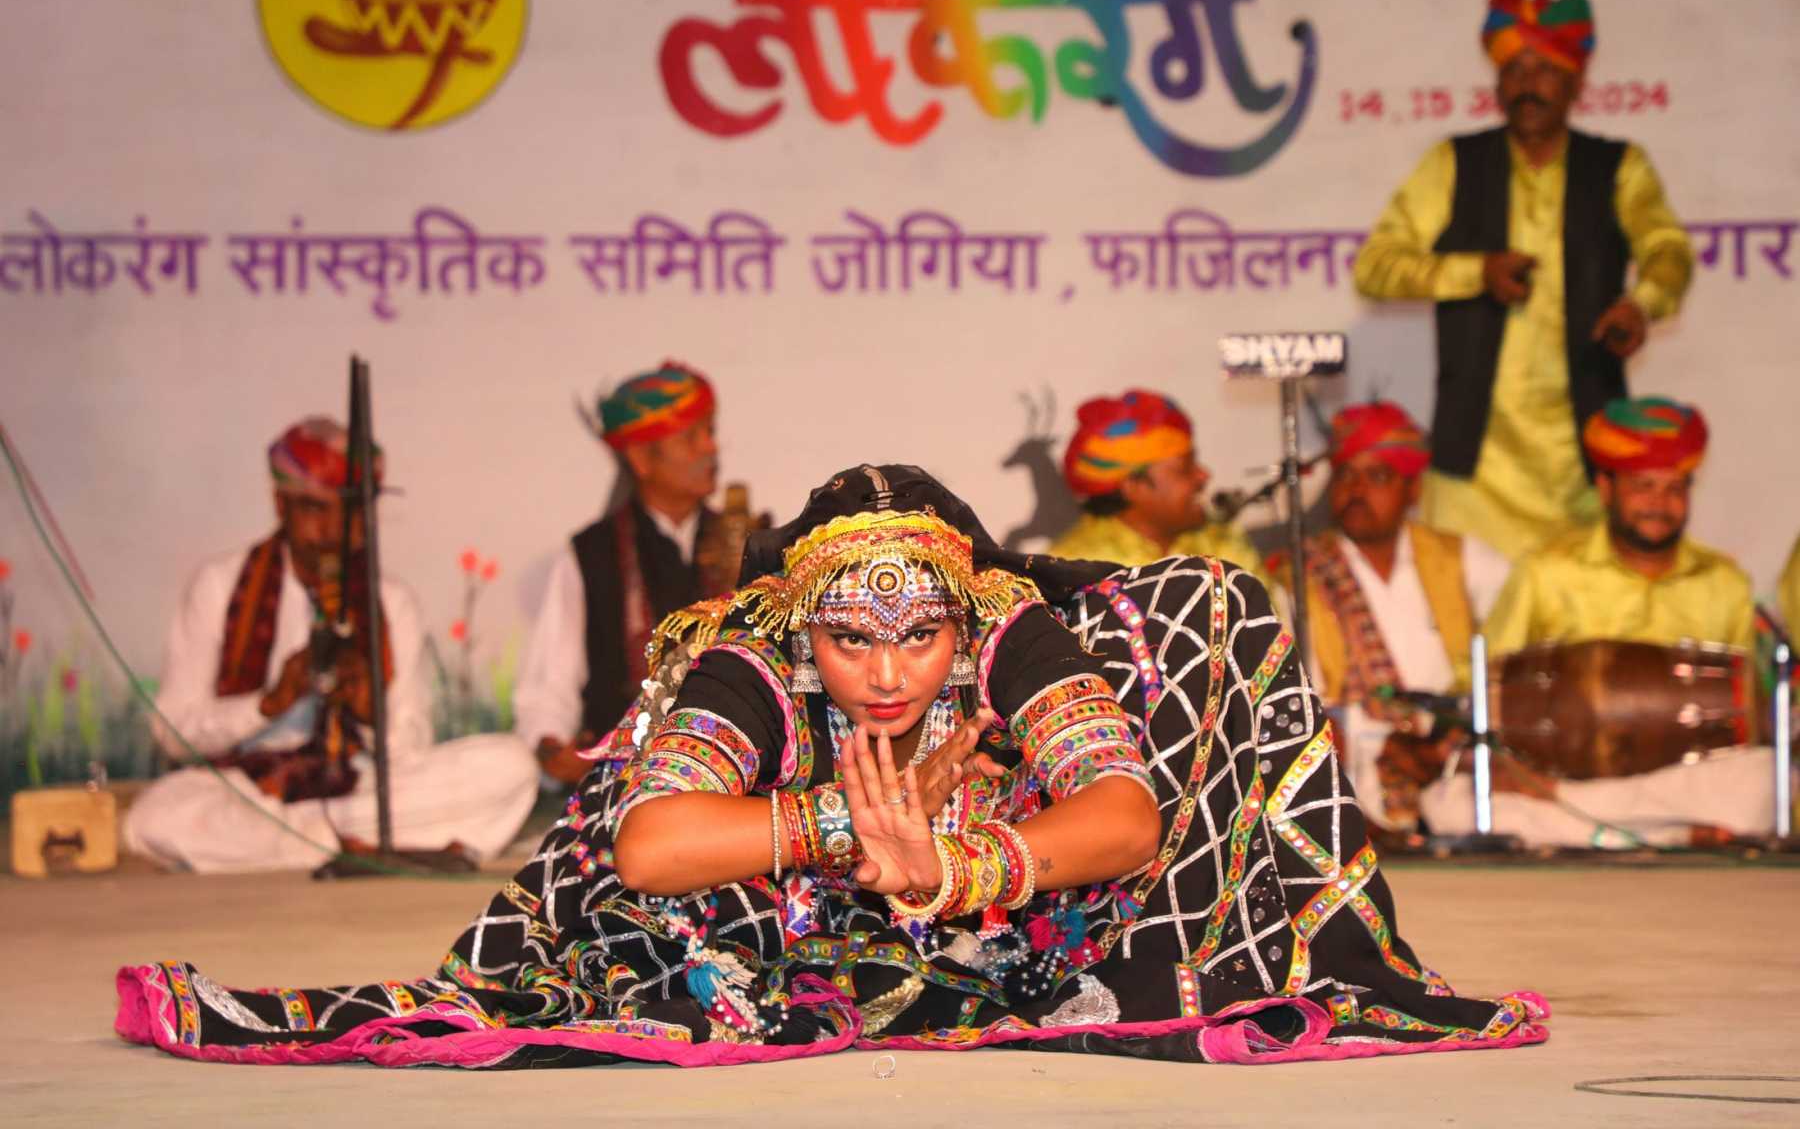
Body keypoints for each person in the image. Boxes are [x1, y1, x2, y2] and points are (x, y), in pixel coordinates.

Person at [119, 464, 1546, 1066]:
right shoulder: (756, 657)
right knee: (632, 878)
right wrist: (841, 832)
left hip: (1011, 907)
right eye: (851, 638)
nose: (886, 669)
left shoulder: (1009, 629)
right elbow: (652, 848)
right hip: (774, 916)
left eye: (918, 634)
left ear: (963, 614)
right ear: (804, 626)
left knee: (1211, 614)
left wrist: (969, 862)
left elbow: (1122, 817)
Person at [1352, 0, 1694, 560]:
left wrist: (1641, 305)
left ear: (1576, 83)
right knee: (1464, 613)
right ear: (1497, 84)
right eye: (1513, 69)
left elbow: (1668, 250)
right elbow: (1375, 266)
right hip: (1476, 462)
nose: (1527, 84)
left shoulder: (1619, 167)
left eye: (1544, 69)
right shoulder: (1454, 163)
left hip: (1582, 462)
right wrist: (1473, 273)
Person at [122, 418, 537, 873]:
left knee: (512, 767)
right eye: (316, 510)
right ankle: (342, 842)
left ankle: (305, 841)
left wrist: (369, 710)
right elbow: (172, 733)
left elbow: (411, 747)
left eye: (351, 513)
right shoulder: (219, 587)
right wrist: (268, 703)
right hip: (245, 787)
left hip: (358, 785)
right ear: (280, 504)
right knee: (154, 818)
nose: (335, 530)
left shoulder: (391, 602)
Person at [1421, 397, 1770, 846]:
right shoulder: (1547, 572)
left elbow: (1742, 711)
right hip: (1563, 772)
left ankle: (1597, 824)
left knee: (1763, 780)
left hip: (1674, 780)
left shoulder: (1725, 583)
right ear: (1605, 489)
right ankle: (1671, 835)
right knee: (1449, 805)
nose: (1659, 504)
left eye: (1674, 488)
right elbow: (1484, 681)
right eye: (1643, 486)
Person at [1270, 403, 1509, 835]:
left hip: (1457, 760)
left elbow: (1511, 668)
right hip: (1353, 772)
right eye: (1345, 475)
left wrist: (1446, 741)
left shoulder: (1466, 561)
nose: (1356, 490)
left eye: (1378, 476)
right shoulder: (1299, 578)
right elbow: (1300, 712)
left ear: (1413, 490)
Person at [514, 362, 727, 784]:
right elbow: (550, 686)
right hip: (622, 777)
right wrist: (553, 748)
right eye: (691, 437)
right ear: (641, 459)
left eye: (710, 431)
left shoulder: (744, 544)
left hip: (729, 769)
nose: (710, 448)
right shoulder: (591, 555)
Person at [1049, 389, 1274, 589]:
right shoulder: (1070, 569)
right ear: (1133, 487)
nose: (1203, 475)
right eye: (1185, 468)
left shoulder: (1224, 543)